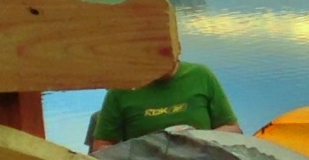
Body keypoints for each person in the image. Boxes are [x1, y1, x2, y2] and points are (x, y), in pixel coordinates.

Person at [86, 61, 240, 147]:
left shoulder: (201, 75)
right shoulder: (122, 88)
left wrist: (197, 138)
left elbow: (233, 129)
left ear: (178, 47)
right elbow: (101, 145)